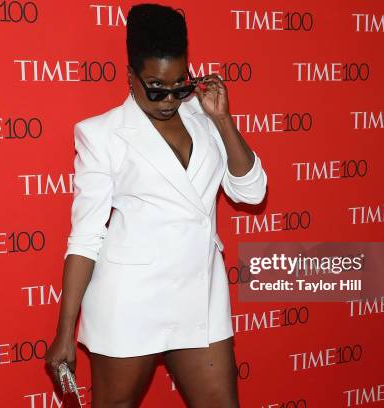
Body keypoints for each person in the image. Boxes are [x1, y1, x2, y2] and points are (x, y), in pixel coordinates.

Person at [45, 3, 267, 407]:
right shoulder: (102, 134)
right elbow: (86, 237)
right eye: (155, 87)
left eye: (179, 85)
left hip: (200, 293)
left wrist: (223, 121)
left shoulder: (204, 116)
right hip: (130, 299)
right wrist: (65, 330)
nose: (168, 100)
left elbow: (251, 193)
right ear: (131, 77)